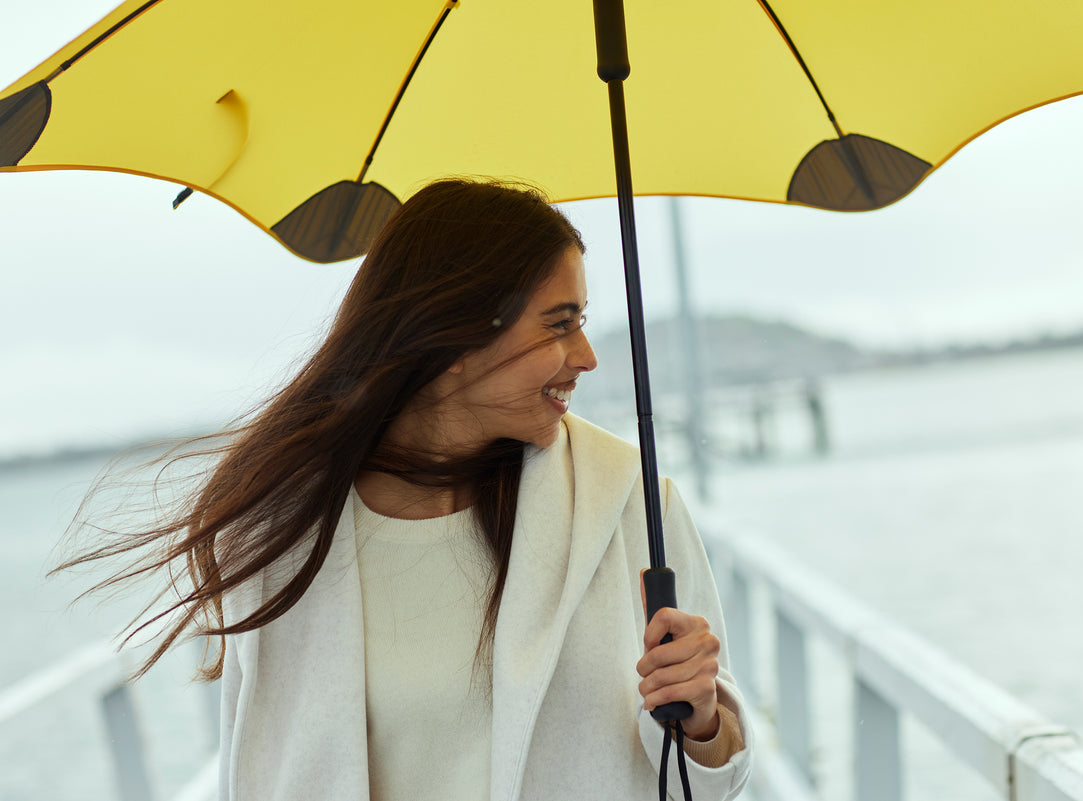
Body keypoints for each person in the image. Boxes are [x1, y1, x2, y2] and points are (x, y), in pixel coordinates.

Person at [61, 178, 752, 801]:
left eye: (583, 321)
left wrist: (701, 719)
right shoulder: (284, 536)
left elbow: (710, 779)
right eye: (559, 323)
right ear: (454, 338)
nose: (587, 356)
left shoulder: (632, 503)